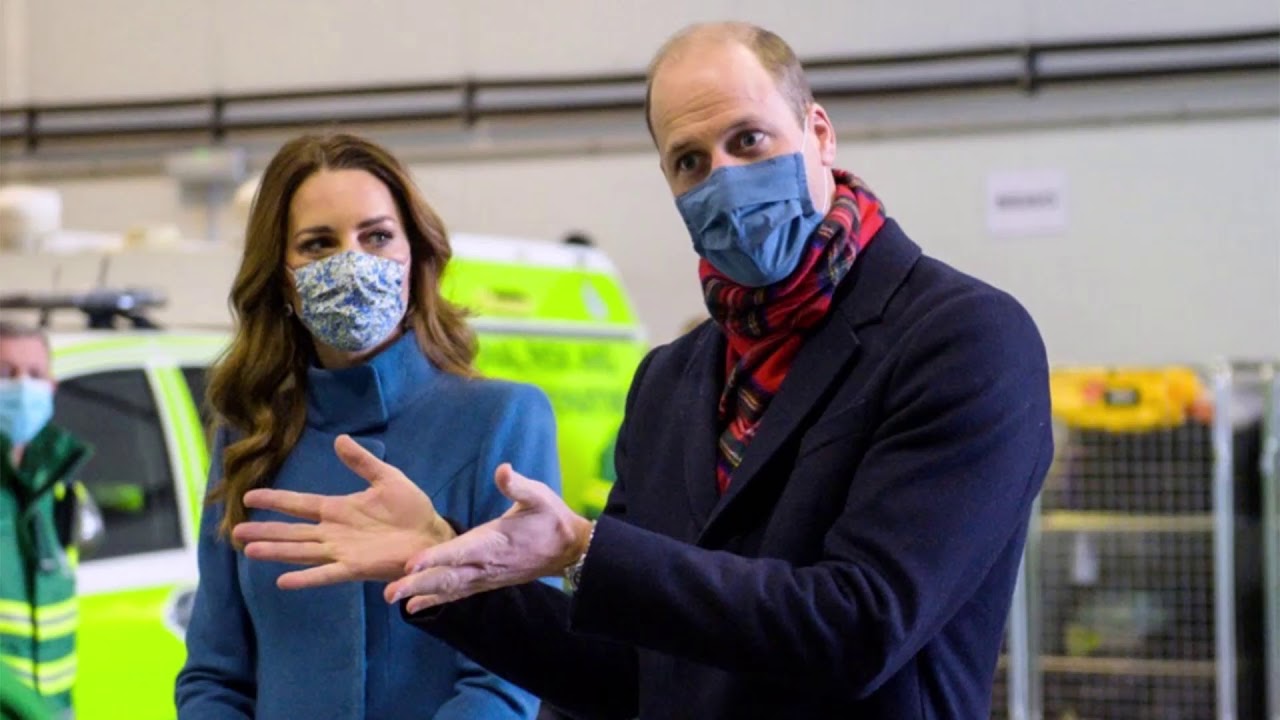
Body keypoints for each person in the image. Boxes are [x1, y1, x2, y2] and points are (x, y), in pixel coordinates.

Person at [236, 22, 1055, 719]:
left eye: (749, 140)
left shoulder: (963, 340)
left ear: (819, 133)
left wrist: (587, 551)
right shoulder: (674, 380)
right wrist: (443, 567)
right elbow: (628, 673)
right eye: (690, 162)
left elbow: (857, 627)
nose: (724, 178)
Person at [173, 133, 558, 720]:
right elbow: (214, 673)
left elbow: (510, 678)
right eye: (318, 244)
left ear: (416, 257)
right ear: (282, 279)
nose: (351, 262)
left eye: (376, 236)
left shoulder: (502, 418)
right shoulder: (248, 435)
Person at [0, 322, 94, 720]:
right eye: (6, 373)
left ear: (52, 387)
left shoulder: (61, 492)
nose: (23, 386)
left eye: (35, 374)